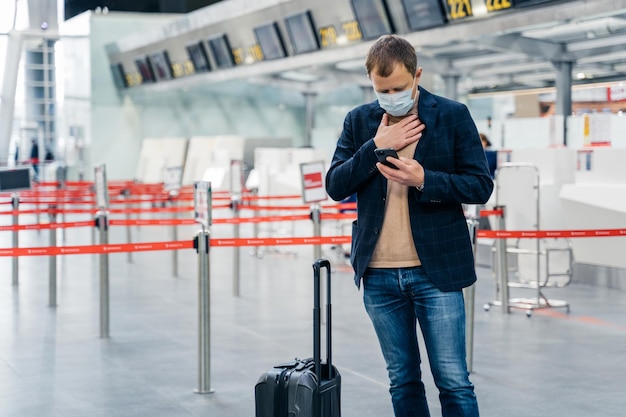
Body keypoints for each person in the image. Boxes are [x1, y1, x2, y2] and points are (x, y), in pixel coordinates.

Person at [325, 35, 494, 417]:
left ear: (417, 75)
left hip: (436, 272)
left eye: (399, 88)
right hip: (379, 275)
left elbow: (480, 185)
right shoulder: (359, 121)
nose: (391, 95)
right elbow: (335, 185)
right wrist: (375, 146)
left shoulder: (452, 115)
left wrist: (424, 179)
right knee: (402, 379)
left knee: (453, 380)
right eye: (382, 90)